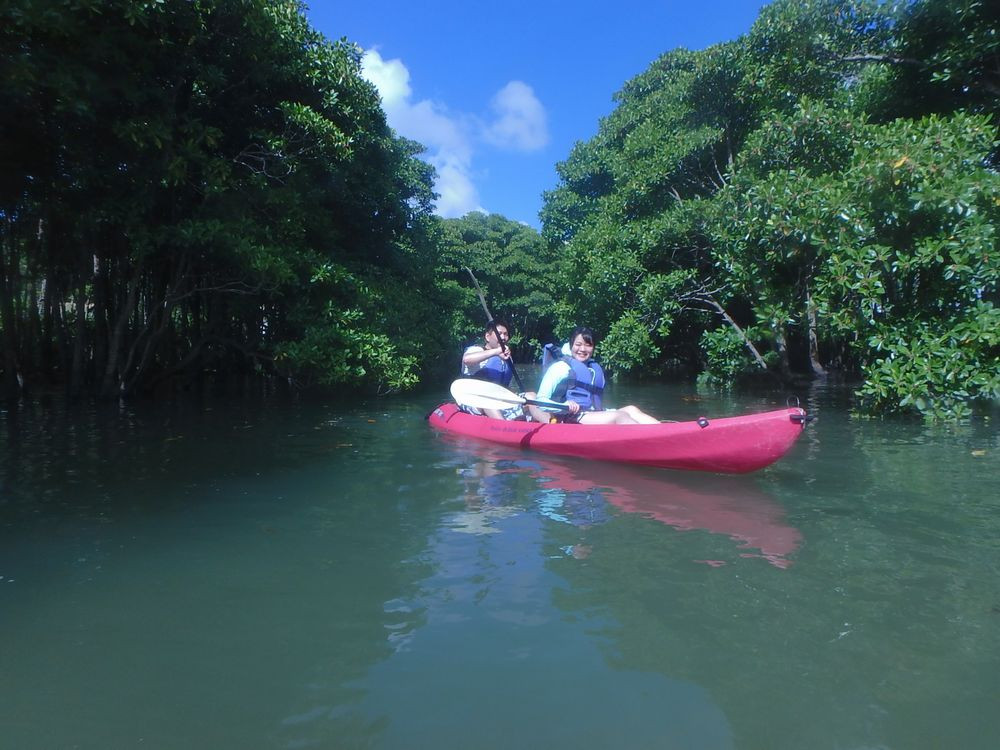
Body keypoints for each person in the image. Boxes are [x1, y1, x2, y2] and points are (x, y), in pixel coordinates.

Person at [529, 326, 659, 424]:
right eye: (578, 344)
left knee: (631, 409)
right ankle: (653, 441)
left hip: (591, 413)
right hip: (568, 417)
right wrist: (565, 406)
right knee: (619, 416)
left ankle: (663, 431)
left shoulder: (592, 368)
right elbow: (540, 400)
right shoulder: (559, 368)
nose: (583, 349)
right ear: (571, 346)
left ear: (593, 347)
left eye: (588, 345)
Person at [459, 321, 519, 419]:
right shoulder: (477, 350)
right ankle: (503, 428)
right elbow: (467, 360)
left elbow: (503, 386)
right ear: (488, 337)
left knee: (531, 395)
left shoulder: (507, 357)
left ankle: (548, 425)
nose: (503, 338)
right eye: (499, 334)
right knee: (487, 401)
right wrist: (496, 351)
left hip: (499, 400)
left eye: (506, 334)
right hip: (474, 401)